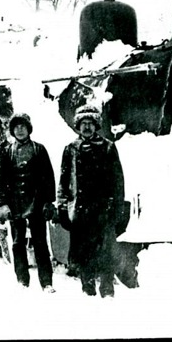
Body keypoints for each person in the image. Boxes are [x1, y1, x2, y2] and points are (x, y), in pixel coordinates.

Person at [58, 106, 127, 298]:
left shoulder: (108, 147)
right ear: (78, 126)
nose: (86, 127)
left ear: (96, 125)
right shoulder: (70, 150)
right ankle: (87, 290)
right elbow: (64, 182)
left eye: (90, 123)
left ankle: (107, 291)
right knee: (84, 254)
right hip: (81, 211)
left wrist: (117, 209)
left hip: (103, 211)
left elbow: (118, 181)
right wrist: (62, 208)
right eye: (83, 124)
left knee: (106, 253)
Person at [0, 113, 57, 293]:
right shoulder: (7, 151)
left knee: (40, 243)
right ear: (12, 130)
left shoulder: (39, 150)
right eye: (16, 127)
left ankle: (46, 282)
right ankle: (22, 280)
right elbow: (2, 180)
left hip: (36, 203)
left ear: (29, 129)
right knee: (17, 243)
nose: (20, 129)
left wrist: (48, 202)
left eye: (23, 126)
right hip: (15, 204)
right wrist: (2, 204)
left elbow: (48, 178)